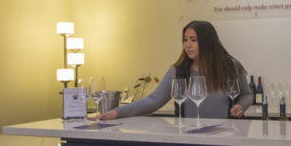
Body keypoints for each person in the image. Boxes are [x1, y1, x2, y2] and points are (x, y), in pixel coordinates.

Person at [95, 21, 252, 120]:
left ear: (208, 42)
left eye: (193, 40)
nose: (187, 45)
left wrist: (241, 106)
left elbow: (247, 95)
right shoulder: (178, 71)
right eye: (185, 39)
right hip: (188, 138)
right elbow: (153, 101)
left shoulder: (230, 66)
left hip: (225, 137)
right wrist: (116, 112)